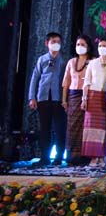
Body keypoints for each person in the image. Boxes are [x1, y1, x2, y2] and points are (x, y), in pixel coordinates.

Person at [28, 32, 68, 166]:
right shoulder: (42, 59)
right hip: (43, 98)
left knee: (59, 129)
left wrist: (66, 100)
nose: (56, 44)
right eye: (53, 42)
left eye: (58, 42)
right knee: (44, 129)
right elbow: (35, 78)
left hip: (58, 99)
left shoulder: (64, 61)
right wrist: (32, 97)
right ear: (47, 43)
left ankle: (59, 157)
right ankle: (44, 157)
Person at [62, 35, 92, 165]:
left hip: (88, 97)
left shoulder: (93, 61)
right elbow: (66, 82)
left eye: (83, 44)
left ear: (88, 47)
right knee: (72, 126)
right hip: (73, 96)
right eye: (78, 44)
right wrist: (64, 100)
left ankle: (85, 156)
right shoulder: (71, 62)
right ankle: (71, 156)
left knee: (86, 126)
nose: (80, 47)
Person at [82, 37, 106, 166]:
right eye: (100, 46)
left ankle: (101, 157)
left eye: (104, 46)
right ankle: (93, 157)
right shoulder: (92, 63)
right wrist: (84, 99)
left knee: (104, 128)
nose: (102, 48)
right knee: (92, 129)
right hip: (93, 97)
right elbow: (86, 82)